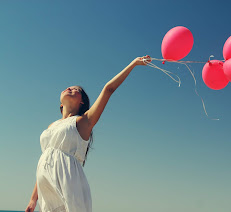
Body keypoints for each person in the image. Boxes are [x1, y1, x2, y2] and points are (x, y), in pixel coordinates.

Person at [25, 56, 152, 212]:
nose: (69, 89)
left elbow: (108, 89)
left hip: (69, 184)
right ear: (60, 103)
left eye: (75, 90)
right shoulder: (51, 126)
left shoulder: (83, 122)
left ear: (82, 102)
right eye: (68, 87)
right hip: (47, 189)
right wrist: (33, 200)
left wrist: (134, 63)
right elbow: (45, 161)